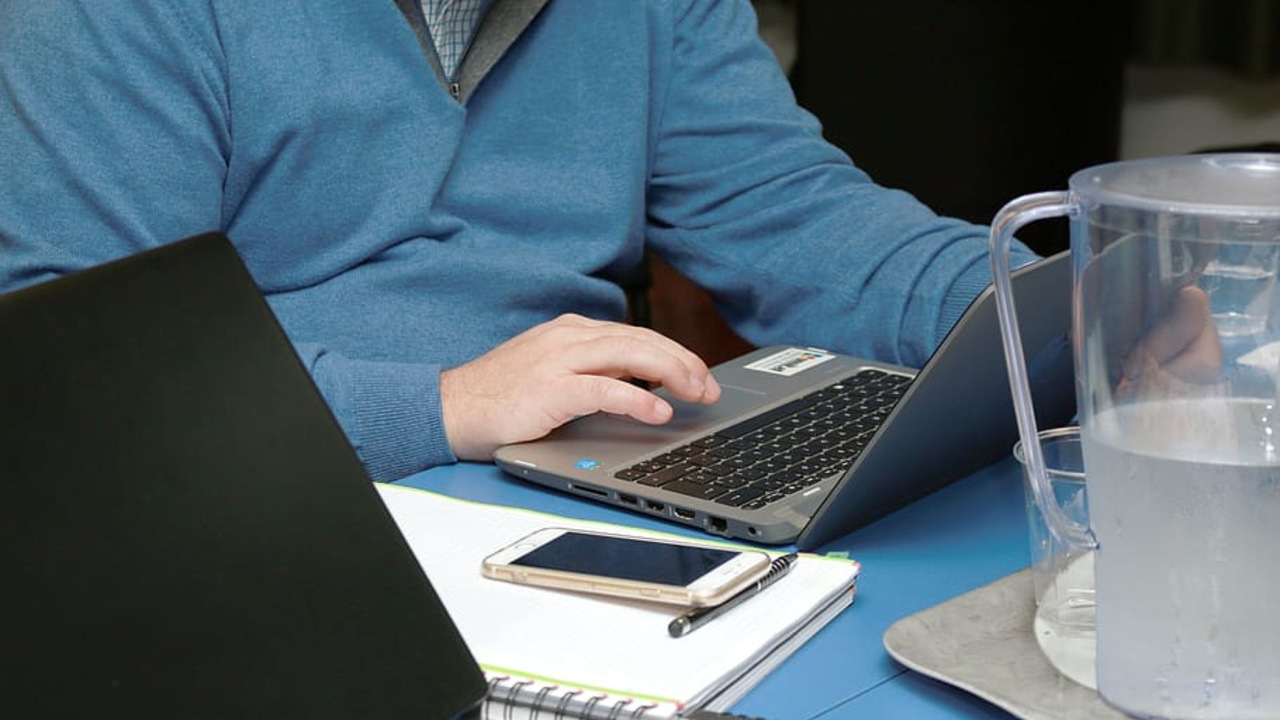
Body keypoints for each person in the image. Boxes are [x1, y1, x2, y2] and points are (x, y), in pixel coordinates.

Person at [0, 0, 1044, 482]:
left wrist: (1051, 308)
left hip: (574, 482)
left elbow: (800, 219)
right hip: (265, 511)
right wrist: (441, 406)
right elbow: (74, 385)